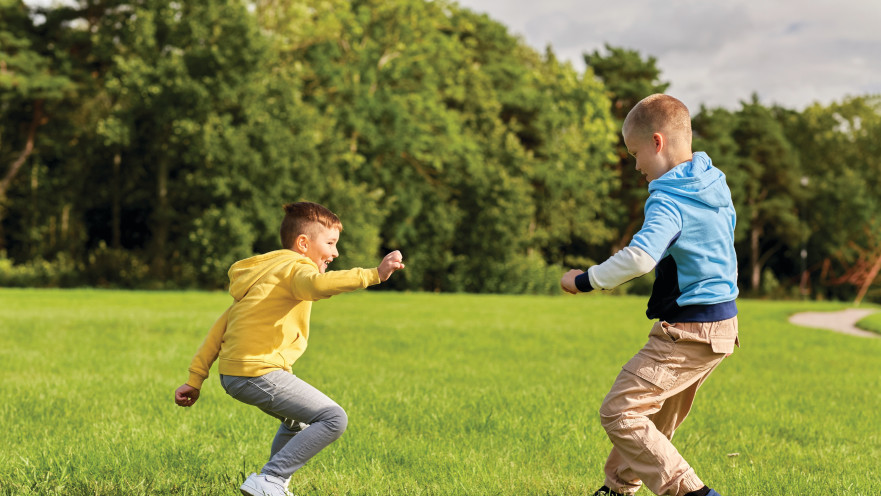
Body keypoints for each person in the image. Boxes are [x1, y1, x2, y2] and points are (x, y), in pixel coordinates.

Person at [561, 94, 739, 496]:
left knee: (620, 412)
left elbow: (640, 257)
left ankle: (694, 493)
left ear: (657, 143)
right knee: (651, 420)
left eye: (635, 152)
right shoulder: (713, 180)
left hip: (688, 332)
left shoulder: (669, 198)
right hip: (722, 327)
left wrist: (585, 279)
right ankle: (618, 488)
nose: (637, 165)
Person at [174, 201, 405, 496]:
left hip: (235, 374)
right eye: (330, 243)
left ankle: (273, 485)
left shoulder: (266, 275)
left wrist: (195, 379)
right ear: (303, 244)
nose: (335, 252)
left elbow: (220, 329)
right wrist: (374, 274)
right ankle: (269, 478)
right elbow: (318, 285)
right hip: (257, 372)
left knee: (296, 422)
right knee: (334, 418)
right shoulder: (297, 269)